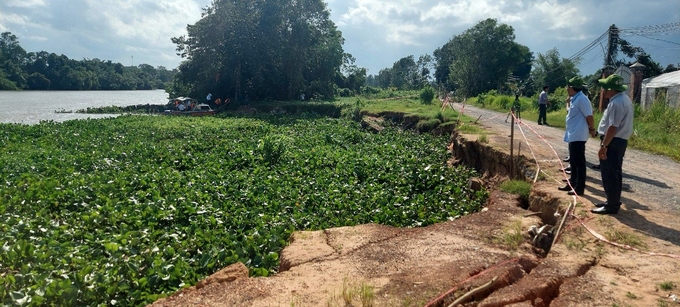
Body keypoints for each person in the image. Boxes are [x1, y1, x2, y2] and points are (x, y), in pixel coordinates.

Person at [591, 74, 634, 215]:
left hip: (613, 141)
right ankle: (612, 200)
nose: (603, 91)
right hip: (619, 141)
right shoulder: (625, 99)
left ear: (610, 89)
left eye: (605, 88)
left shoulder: (616, 103)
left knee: (609, 173)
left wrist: (604, 146)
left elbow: (613, 127)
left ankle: (612, 206)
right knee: (616, 173)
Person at [558, 76, 597, 196]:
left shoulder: (582, 99)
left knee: (579, 162)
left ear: (570, 87)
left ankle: (579, 187)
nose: (566, 89)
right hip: (573, 134)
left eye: (567, 87)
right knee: (573, 162)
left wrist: (592, 129)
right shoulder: (575, 98)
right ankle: (572, 183)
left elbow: (589, 116)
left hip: (579, 135)